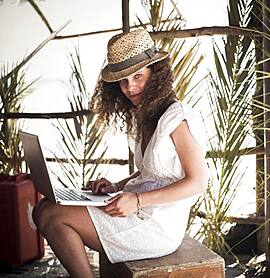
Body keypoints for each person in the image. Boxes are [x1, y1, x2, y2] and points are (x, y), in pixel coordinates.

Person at [31, 28, 208, 278]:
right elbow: (151, 171)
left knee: (51, 215)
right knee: (42, 208)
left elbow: (198, 183)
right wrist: (116, 185)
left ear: (155, 74)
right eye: (123, 81)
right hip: (137, 211)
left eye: (137, 76)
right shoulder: (146, 116)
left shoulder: (177, 118)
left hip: (157, 226)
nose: (130, 87)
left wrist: (136, 200)